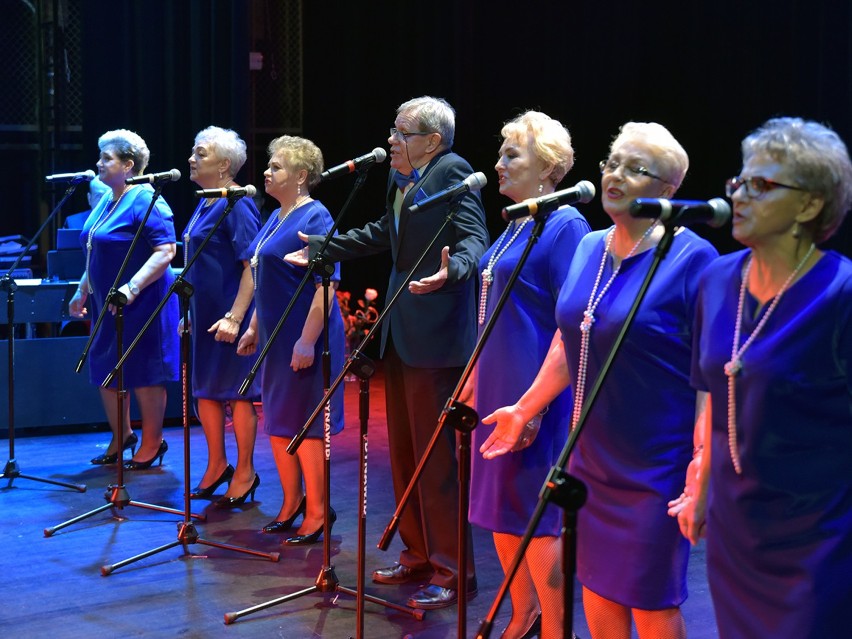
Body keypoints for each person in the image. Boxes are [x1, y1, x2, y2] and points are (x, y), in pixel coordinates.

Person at [481, 122, 718, 638]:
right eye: (613, 162)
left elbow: (711, 375)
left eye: (637, 169)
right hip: (588, 455)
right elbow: (569, 341)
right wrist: (525, 408)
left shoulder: (692, 257)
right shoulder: (589, 246)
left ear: (668, 189)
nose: (616, 175)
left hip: (656, 464)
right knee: (597, 591)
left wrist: (703, 461)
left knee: (651, 600)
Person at [285, 96, 489, 609]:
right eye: (393, 130)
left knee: (434, 462)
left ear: (432, 141)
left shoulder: (451, 172)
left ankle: (453, 570)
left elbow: (474, 240)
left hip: (437, 339)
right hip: (400, 335)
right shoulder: (401, 177)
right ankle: (419, 554)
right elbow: (386, 235)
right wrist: (325, 245)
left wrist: (454, 271)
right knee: (403, 454)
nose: (391, 140)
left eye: (402, 132)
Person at [671, 117, 852, 638]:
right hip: (736, 531)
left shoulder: (838, 295)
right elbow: (709, 388)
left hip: (818, 539)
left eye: (763, 185)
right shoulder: (717, 280)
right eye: (739, 182)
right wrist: (701, 479)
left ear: (811, 204)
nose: (741, 195)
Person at [467, 111, 590, 639]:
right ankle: (525, 613)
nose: (497, 164)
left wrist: (535, 403)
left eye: (510, 154)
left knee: (535, 516)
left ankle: (555, 625)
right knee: (501, 509)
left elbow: (571, 324)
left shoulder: (565, 226)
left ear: (547, 166)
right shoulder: (518, 220)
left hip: (534, 390)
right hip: (496, 384)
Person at [236, 135, 345, 544]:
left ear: (301, 176)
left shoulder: (315, 217)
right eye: (268, 165)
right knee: (280, 422)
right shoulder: (276, 216)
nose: (266, 172)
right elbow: (264, 278)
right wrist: (251, 329)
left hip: (305, 337)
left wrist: (306, 341)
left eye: (276, 167)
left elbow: (327, 285)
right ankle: (292, 502)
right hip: (274, 338)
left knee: (307, 425)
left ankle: (318, 511)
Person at [68, 129, 179, 469]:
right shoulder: (108, 198)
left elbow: (166, 251)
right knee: (105, 368)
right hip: (107, 303)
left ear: (129, 165)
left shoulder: (146, 198)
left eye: (107, 158)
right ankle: (122, 435)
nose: (99, 163)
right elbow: (93, 248)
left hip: (143, 300)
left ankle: (152, 442)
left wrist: (132, 287)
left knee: (143, 370)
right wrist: (82, 288)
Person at [182, 126, 262, 507]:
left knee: (237, 394)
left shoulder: (239, 203)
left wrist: (236, 316)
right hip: (205, 315)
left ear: (225, 164)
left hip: (232, 315)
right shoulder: (206, 200)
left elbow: (252, 265)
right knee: (206, 395)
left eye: (200, 153)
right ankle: (217, 465)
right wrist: (190, 312)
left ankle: (245, 472)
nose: (191, 159)